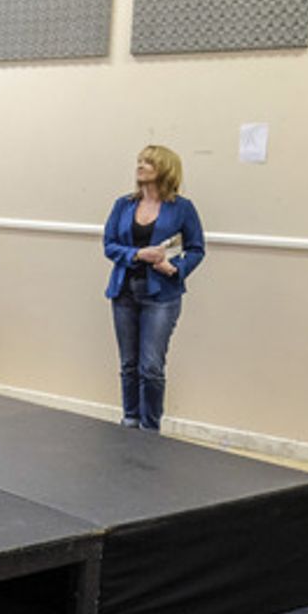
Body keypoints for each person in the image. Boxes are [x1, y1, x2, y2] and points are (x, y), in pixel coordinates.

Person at [102, 144, 206, 432]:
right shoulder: (123, 204)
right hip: (124, 291)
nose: (140, 166)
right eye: (139, 161)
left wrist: (175, 268)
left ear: (165, 169)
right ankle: (130, 420)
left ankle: (150, 429)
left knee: (151, 367)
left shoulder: (182, 208)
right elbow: (109, 245)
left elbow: (197, 249)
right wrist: (137, 255)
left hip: (161, 295)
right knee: (128, 364)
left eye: (148, 162)